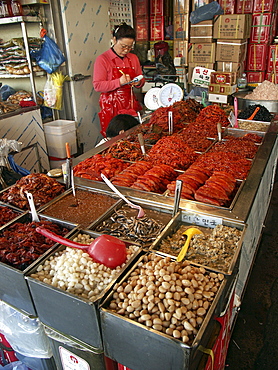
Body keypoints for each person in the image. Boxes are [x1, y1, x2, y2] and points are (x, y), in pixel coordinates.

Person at [93, 23, 145, 137]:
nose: (126, 50)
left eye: (129, 46)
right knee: (114, 139)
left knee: (133, 135)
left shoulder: (133, 58)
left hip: (130, 103)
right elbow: (98, 86)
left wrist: (138, 82)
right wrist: (119, 82)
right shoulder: (103, 59)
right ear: (114, 40)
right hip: (111, 106)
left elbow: (141, 78)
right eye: (123, 46)